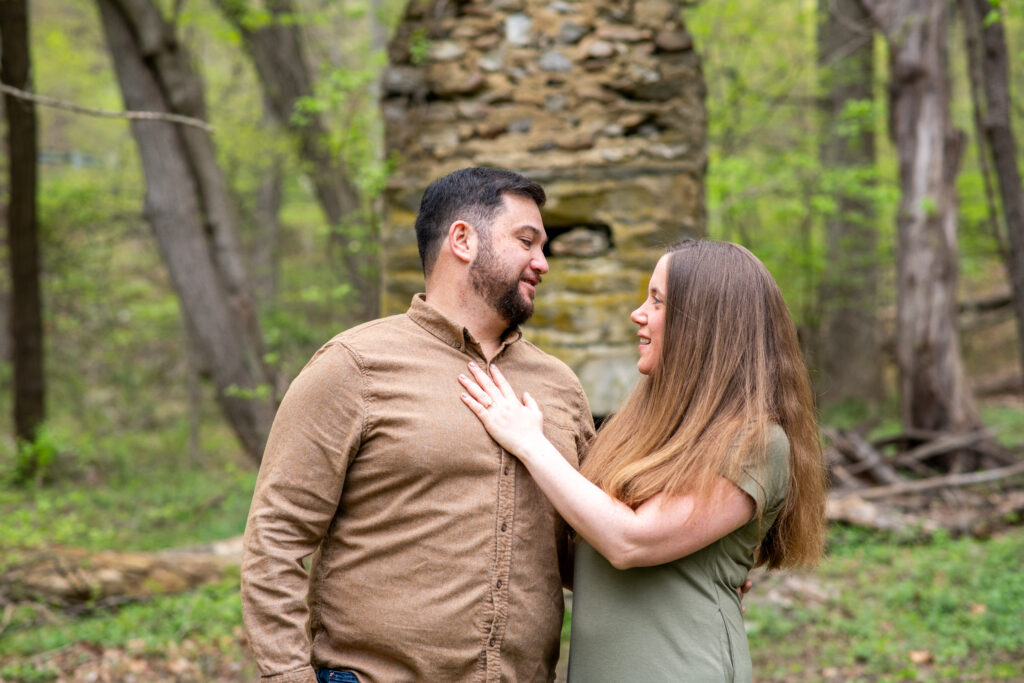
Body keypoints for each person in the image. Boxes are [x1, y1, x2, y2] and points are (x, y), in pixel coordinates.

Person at [240, 167, 596, 683]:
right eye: (527, 241)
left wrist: (694, 567)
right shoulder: (353, 366)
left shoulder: (559, 385)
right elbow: (275, 539)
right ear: (462, 239)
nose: (543, 262)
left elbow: (583, 550)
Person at [458, 239, 828, 682]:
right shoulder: (650, 430)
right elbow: (592, 554)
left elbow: (630, 541)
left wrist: (530, 443)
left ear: (706, 324)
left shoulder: (756, 441)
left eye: (657, 300)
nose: (638, 313)